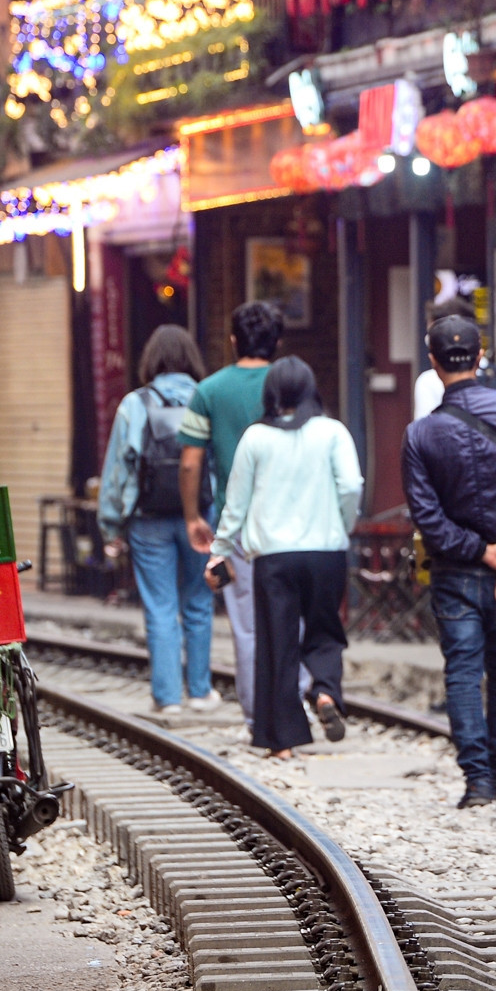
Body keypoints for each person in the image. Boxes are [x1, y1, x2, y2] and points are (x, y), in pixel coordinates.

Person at [401, 315, 496, 809]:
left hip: (457, 571)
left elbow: (427, 519)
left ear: (433, 363)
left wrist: (479, 551)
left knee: (461, 670)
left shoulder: (420, 435)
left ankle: (477, 780)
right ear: (480, 355)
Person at [207, 357, 362, 758]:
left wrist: (219, 551)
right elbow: (350, 485)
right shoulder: (333, 432)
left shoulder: (255, 438)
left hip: (274, 557)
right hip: (326, 552)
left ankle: (283, 742)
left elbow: (235, 504)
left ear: (271, 393)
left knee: (277, 643)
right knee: (325, 630)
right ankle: (326, 692)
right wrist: (341, 526)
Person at [100, 325, 220, 716]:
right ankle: (200, 692)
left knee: (160, 607)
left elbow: (118, 470)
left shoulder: (134, 404)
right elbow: (216, 465)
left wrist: (111, 525)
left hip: (148, 519)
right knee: (199, 602)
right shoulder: (207, 398)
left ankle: (168, 698)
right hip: (200, 517)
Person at [180, 301, 288, 724]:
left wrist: (193, 516)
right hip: (288, 523)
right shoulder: (288, 384)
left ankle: (256, 715)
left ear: (231, 341)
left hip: (236, 524)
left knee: (246, 624)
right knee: (287, 617)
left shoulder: (208, 390)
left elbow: (190, 462)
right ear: (277, 342)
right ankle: (291, 705)